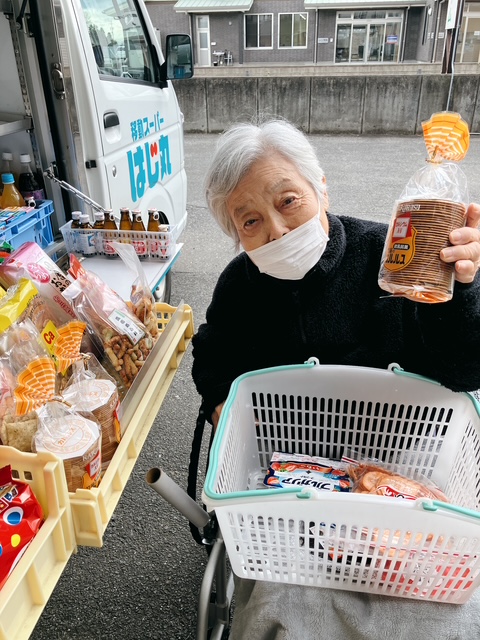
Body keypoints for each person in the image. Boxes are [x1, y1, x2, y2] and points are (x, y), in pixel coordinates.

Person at [191, 119, 480, 639]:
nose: (277, 231)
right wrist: (222, 410)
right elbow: (213, 357)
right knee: (282, 607)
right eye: (251, 221)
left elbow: (464, 369)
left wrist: (461, 288)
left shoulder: (392, 254)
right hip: (292, 476)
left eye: (288, 201)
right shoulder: (239, 287)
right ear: (236, 235)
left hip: (401, 460)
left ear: (321, 186)